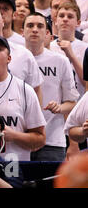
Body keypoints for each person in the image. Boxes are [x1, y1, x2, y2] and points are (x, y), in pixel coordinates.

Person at [23, 12, 79, 161]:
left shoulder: (60, 61)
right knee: (13, 181)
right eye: (30, 25)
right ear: (22, 32)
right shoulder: (12, 59)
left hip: (52, 142)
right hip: (18, 141)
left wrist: (59, 108)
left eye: (40, 26)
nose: (35, 29)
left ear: (47, 33)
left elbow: (72, 103)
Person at [50, 2, 88, 99]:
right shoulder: (48, 47)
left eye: (70, 17)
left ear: (78, 23)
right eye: (61, 16)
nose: (65, 19)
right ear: (55, 21)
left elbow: (86, 83)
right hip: (54, 103)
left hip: (78, 103)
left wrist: (72, 56)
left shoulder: (85, 49)